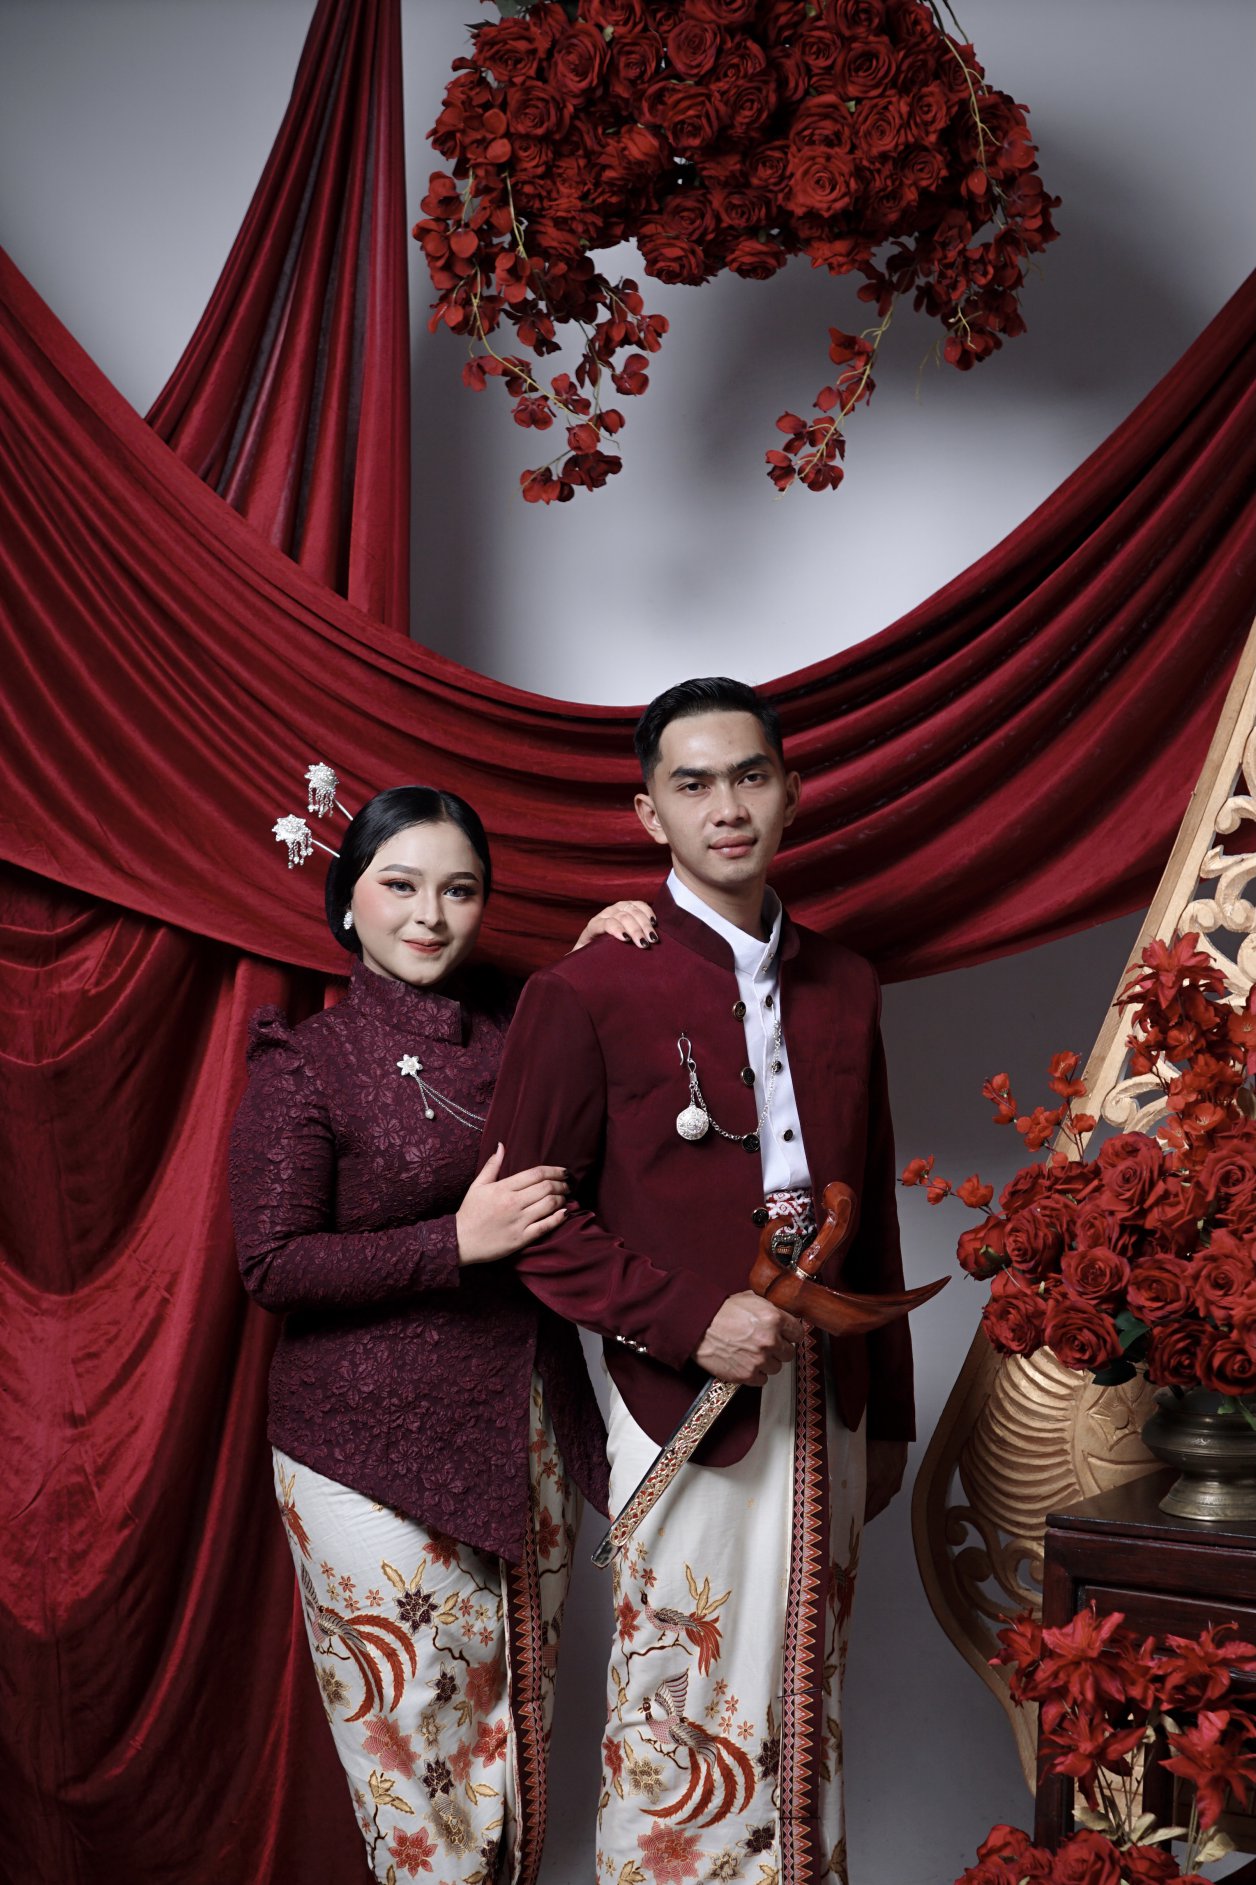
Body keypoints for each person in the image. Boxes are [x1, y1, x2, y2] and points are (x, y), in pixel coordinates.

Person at [483, 678, 915, 1885]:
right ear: (648, 812)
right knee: (680, 1702)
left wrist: (887, 1411)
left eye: (749, 776)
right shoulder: (584, 989)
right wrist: (686, 1320)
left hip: (829, 1389)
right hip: (680, 1389)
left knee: (806, 1699)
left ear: (789, 792)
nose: (726, 806)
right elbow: (525, 1223)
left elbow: (871, 1209)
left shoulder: (846, 981)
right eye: (693, 783)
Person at [228, 784, 656, 1885]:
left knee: (511, 1753)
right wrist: (454, 1241)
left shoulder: (522, 1022)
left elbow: (591, 1084)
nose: (429, 914)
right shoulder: (306, 1061)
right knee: (418, 1769)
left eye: (458, 889)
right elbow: (271, 1264)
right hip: (360, 1448)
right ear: (347, 901)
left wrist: (595, 963)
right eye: (400, 885)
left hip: (522, 1425)